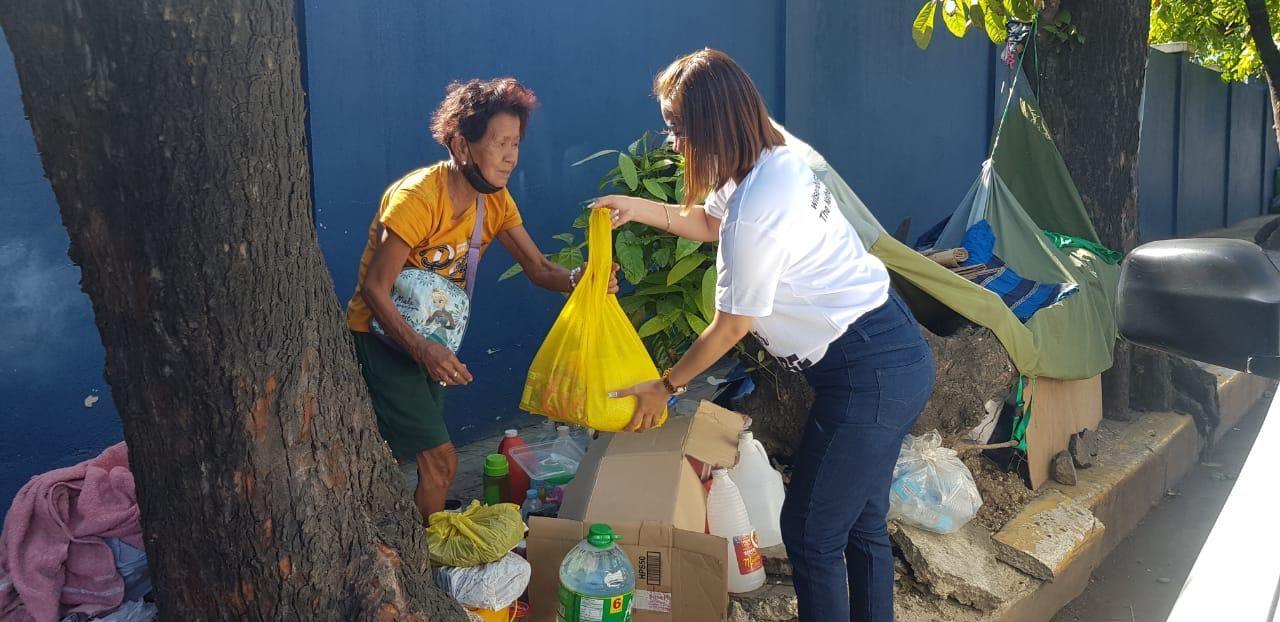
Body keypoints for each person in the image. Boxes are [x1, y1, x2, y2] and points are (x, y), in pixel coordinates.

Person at [601, 50, 935, 622]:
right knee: (858, 523)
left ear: (715, 124)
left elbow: (733, 324)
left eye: (679, 130)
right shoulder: (768, 154)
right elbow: (710, 221)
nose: (673, 144)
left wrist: (667, 385)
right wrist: (642, 208)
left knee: (809, 532)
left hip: (868, 369)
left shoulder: (759, 204)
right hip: (886, 350)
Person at [346, 77, 616, 521]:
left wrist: (581, 279)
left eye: (516, 143)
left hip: (429, 344)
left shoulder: (496, 201)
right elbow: (375, 289)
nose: (511, 156)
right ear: (461, 143)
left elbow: (539, 268)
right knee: (442, 462)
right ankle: (427, 564)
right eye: (499, 143)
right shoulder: (418, 197)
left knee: (403, 456)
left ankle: (404, 554)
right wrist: (421, 348)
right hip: (383, 341)